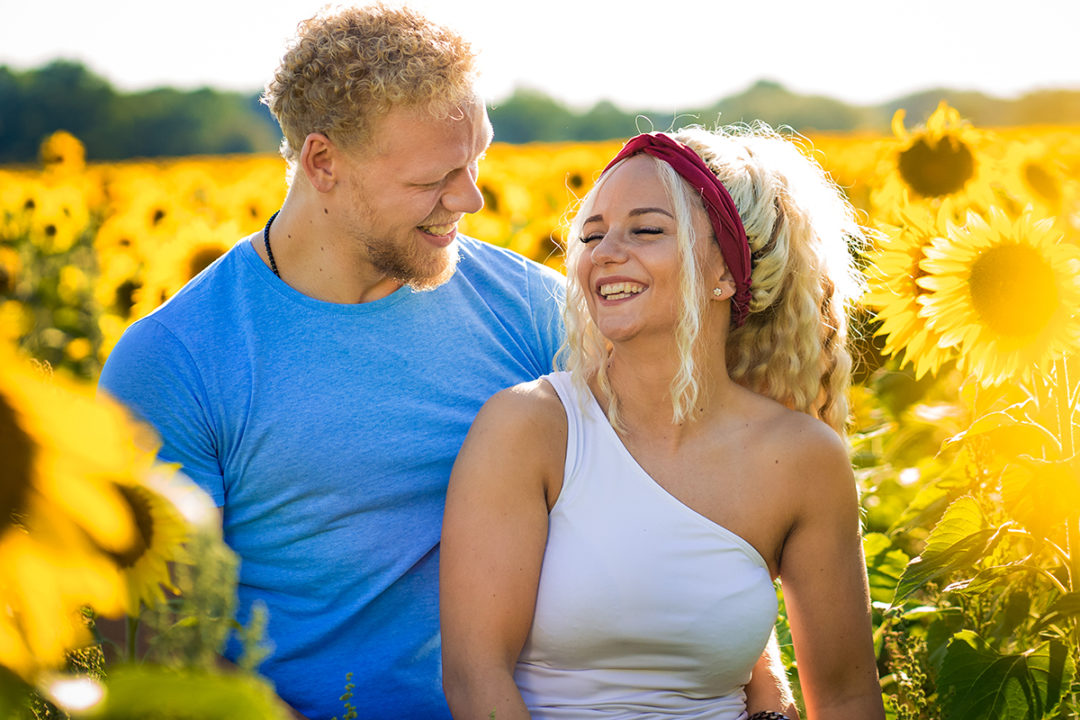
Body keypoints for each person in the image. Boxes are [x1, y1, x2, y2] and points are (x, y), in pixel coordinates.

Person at [98, 4, 793, 719]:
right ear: (323, 162)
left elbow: (686, 508)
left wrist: (764, 690)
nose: (471, 197)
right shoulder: (177, 362)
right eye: (435, 177)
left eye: (477, 160)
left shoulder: (533, 310)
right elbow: (158, 650)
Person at [441, 127, 886, 719]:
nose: (603, 252)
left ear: (727, 271)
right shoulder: (530, 428)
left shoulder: (802, 458)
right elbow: (476, 677)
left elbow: (847, 697)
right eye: (592, 234)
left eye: (646, 230)